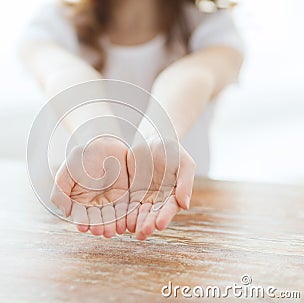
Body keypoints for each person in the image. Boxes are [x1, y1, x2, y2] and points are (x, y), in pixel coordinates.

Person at [19, 0, 244, 240]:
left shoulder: (211, 25)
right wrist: (99, 134)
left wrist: (156, 136)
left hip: (176, 224)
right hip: (67, 221)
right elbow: (62, 73)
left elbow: (193, 75)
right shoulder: (56, 20)